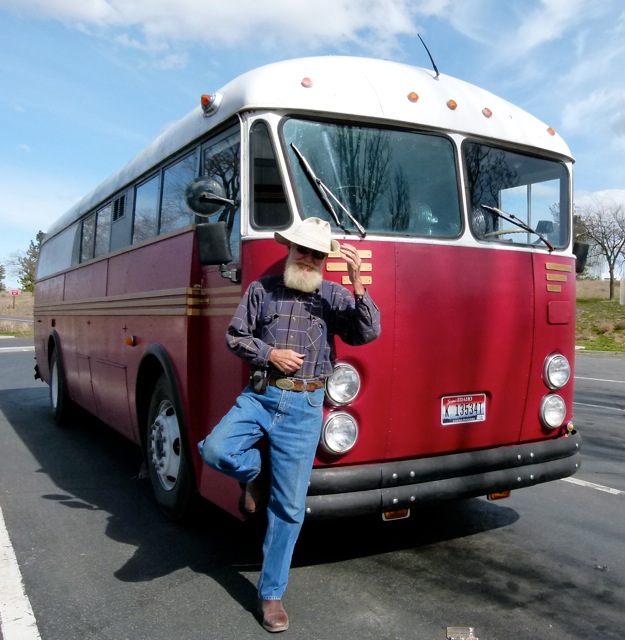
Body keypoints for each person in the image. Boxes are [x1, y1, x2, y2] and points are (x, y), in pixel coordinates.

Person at [197, 217, 381, 633]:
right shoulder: (260, 290)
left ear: (323, 260)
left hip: (305, 407)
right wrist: (269, 354)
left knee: (290, 508)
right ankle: (255, 475)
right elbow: (235, 336)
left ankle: (271, 594)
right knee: (215, 450)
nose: (310, 258)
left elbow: (367, 333)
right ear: (290, 250)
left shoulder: (333, 295)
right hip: (261, 396)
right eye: (304, 250)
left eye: (318, 254)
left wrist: (359, 285)